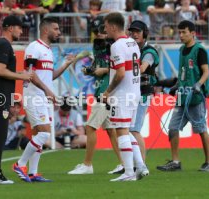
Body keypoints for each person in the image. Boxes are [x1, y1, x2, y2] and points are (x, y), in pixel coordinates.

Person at [12, 17, 75, 183]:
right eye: (56, 29)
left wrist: (65, 65)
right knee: (45, 133)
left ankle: (33, 173)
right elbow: (30, 74)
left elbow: (49, 76)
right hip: (34, 96)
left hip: (43, 97)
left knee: (38, 134)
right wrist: (47, 91)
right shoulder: (34, 47)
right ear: (45, 30)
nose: (59, 32)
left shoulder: (48, 51)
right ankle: (20, 164)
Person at [68, 16, 124, 175]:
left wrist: (104, 71)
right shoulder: (98, 46)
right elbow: (98, 64)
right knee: (111, 131)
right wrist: (90, 69)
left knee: (90, 128)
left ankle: (87, 164)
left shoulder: (113, 46)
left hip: (107, 92)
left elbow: (118, 68)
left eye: (101, 31)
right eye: (96, 32)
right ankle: (123, 163)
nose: (99, 34)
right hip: (103, 90)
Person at [156, 20, 209, 172]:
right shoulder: (182, 50)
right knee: (173, 128)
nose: (180, 35)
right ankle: (175, 162)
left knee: (201, 129)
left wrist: (198, 85)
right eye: (179, 32)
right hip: (182, 96)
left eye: (184, 32)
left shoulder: (199, 50)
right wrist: (177, 86)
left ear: (193, 33)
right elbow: (183, 74)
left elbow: (206, 72)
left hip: (195, 97)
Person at [0, 15, 33, 185]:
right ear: (10, 28)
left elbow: (3, 74)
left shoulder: (0, 44)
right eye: (19, 28)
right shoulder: (4, 44)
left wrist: (18, 75)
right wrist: (22, 76)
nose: (21, 31)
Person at [103, 12, 141, 182]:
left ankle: (128, 172)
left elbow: (119, 74)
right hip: (134, 92)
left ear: (112, 26)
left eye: (105, 26)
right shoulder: (133, 42)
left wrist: (108, 91)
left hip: (123, 95)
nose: (104, 30)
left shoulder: (117, 46)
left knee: (121, 131)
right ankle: (140, 166)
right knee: (127, 131)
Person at [127, 20, 159, 167]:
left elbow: (142, 68)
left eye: (137, 32)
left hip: (143, 94)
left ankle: (141, 165)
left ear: (145, 34)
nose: (134, 34)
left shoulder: (149, 52)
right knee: (128, 130)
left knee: (134, 129)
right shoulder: (132, 50)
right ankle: (133, 164)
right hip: (132, 94)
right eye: (132, 32)